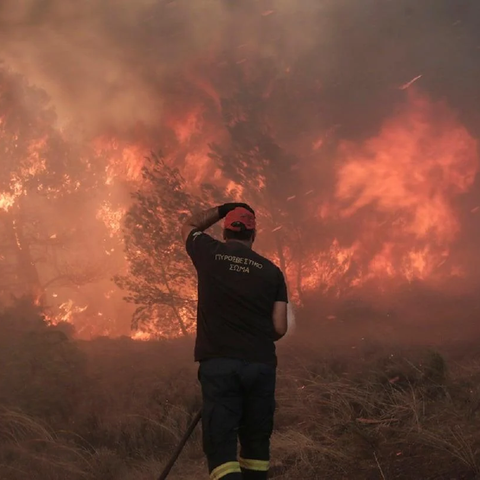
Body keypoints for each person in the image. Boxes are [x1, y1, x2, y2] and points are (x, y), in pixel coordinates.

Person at [181, 202, 289, 480]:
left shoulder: (209, 252)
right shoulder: (272, 271)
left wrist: (222, 208)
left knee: (221, 447)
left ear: (225, 231)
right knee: (255, 443)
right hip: (260, 366)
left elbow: (188, 226)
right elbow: (279, 326)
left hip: (220, 365)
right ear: (253, 235)